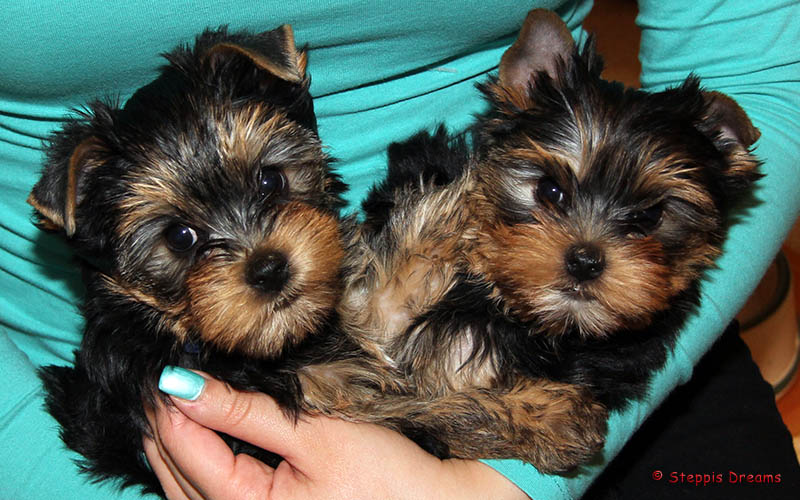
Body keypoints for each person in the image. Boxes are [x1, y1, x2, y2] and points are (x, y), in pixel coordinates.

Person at [1, 0, 798, 498]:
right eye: (183, 238)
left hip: (604, 339)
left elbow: (763, 69)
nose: (259, 251)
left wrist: (503, 486)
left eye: (274, 184)